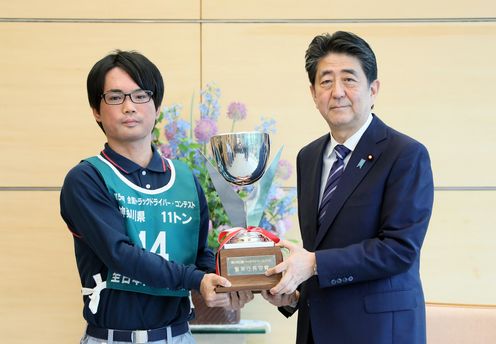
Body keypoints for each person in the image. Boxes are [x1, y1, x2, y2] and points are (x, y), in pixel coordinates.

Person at [60, 50, 252, 344]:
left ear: (156, 105)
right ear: (96, 110)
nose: (129, 107)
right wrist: (196, 280)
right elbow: (120, 255)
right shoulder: (87, 178)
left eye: (140, 95)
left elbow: (200, 255)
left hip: (178, 336)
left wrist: (237, 281)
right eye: (115, 97)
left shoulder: (185, 179)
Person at [262, 31, 434, 343]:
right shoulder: (309, 157)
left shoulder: (405, 154)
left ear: (373, 89)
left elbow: (399, 249)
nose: (337, 91)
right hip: (317, 330)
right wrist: (293, 293)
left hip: (379, 332)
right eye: (326, 81)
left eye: (349, 79)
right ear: (313, 94)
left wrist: (313, 264)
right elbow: (321, 249)